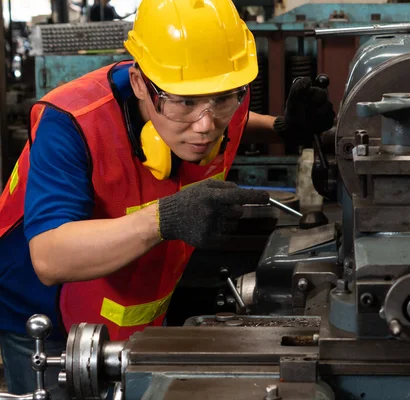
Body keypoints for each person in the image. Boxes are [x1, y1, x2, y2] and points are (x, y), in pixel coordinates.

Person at [0, 0, 335, 396]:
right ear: (141, 83)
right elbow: (49, 256)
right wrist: (165, 218)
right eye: (185, 103)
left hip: (138, 306)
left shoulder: (214, 97)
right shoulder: (71, 122)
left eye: (224, 99)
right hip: (46, 319)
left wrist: (283, 128)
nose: (206, 126)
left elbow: (231, 117)